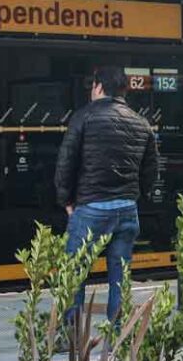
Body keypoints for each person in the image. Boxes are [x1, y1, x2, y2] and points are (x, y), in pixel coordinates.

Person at [55, 66, 159, 325]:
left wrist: (66, 201)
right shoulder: (140, 122)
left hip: (91, 208)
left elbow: (65, 162)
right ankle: (118, 338)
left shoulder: (84, 117)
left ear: (99, 87)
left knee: (75, 275)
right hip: (126, 209)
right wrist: (136, 196)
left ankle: (73, 340)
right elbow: (151, 171)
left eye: (92, 86)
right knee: (120, 278)